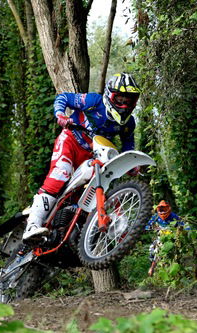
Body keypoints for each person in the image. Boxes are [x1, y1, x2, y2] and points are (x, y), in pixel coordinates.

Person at [23, 73, 141, 241]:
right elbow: (64, 97)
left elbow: (128, 145)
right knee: (60, 173)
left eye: (128, 100)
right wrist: (60, 115)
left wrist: (131, 164)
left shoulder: (129, 123)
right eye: (120, 99)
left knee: (100, 187)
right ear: (110, 95)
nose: (124, 104)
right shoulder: (94, 101)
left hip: (95, 154)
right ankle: (32, 225)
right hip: (71, 141)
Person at [145, 200, 189, 276]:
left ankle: (178, 269)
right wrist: (153, 227)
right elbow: (148, 225)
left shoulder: (173, 216)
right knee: (152, 249)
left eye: (164, 209)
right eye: (161, 209)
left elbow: (184, 225)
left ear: (168, 208)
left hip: (172, 237)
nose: (162, 211)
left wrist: (184, 230)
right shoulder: (156, 217)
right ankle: (153, 267)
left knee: (176, 252)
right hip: (161, 237)